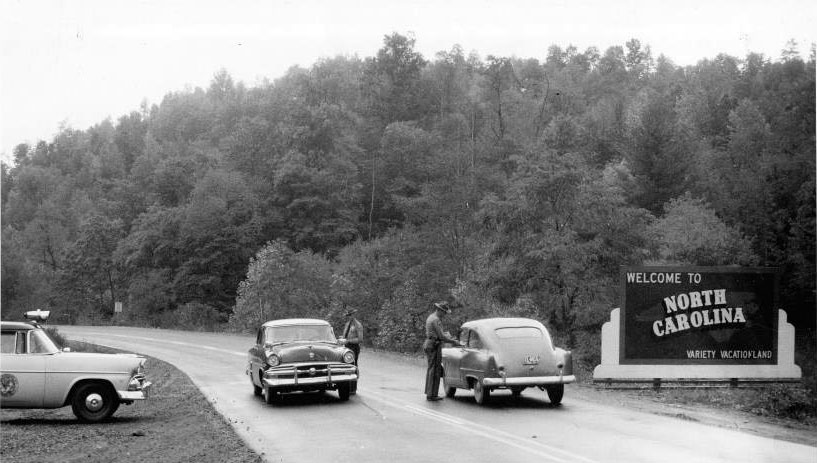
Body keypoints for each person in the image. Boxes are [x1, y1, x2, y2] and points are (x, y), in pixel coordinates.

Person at [423, 301, 460, 401]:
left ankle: (430, 393)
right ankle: (431, 395)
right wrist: (453, 341)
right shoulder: (436, 320)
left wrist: (447, 336)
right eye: (444, 312)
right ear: (439, 310)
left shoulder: (431, 317)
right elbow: (441, 336)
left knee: (432, 369)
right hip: (433, 345)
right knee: (434, 370)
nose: (444, 314)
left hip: (431, 344)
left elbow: (440, 334)